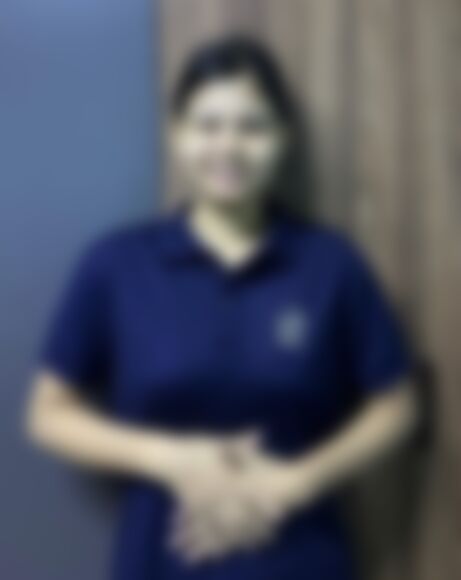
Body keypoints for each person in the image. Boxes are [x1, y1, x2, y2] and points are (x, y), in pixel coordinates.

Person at [26, 36, 418, 580]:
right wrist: (173, 459)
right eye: (207, 125)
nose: (228, 147)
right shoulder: (116, 265)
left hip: (301, 556)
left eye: (252, 127)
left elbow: (396, 405)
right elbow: (48, 413)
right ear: (176, 133)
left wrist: (291, 484)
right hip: (160, 559)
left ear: (284, 137)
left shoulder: (331, 264)